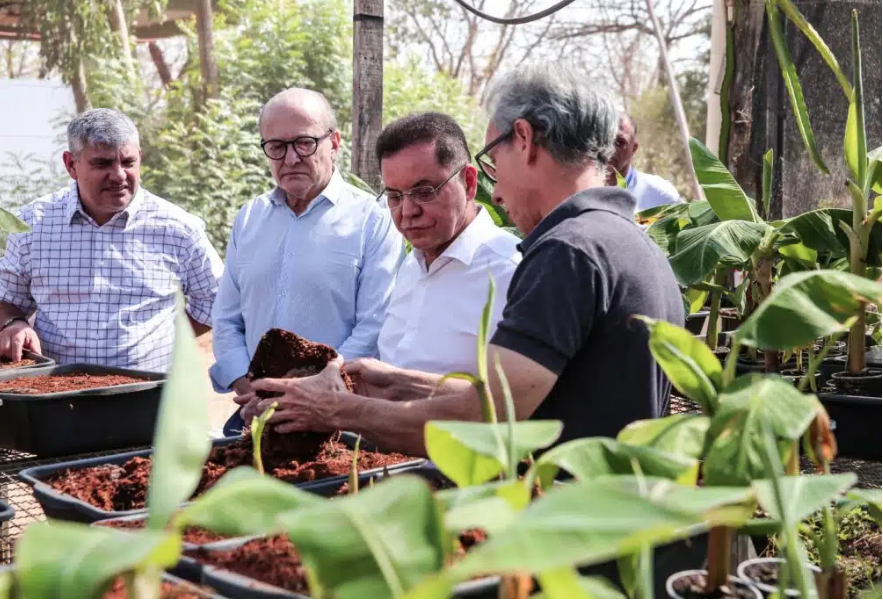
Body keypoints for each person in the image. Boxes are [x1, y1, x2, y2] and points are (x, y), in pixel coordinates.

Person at [235, 64, 685, 456]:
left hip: (575, 533)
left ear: (523, 140)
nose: (498, 189)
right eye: (393, 196)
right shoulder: (623, 237)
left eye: (492, 158)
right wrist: (390, 380)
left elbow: (485, 417)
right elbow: (520, 394)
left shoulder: (567, 251)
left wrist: (340, 410)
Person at [211, 88, 403, 431]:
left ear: (335, 142)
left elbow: (374, 327)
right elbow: (226, 319)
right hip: (254, 416)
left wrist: (306, 395)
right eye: (276, 147)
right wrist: (247, 386)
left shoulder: (372, 221)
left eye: (304, 143)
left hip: (336, 421)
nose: (291, 158)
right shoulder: (249, 218)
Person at [0, 108, 223, 372]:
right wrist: (13, 325)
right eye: (102, 163)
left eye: (128, 162)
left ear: (140, 158)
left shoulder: (178, 228)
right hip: (55, 398)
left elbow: (216, 302)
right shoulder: (34, 223)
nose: (119, 175)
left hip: (149, 396)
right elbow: (1, 302)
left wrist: (160, 342)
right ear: (71, 165)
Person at [373, 112, 520, 375]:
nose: (407, 211)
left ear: (469, 183)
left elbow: (513, 399)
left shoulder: (510, 273)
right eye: (394, 196)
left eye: (424, 192)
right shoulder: (410, 266)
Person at [606, 113, 683, 212]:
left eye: (619, 142)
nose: (610, 148)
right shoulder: (583, 191)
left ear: (634, 148)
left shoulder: (660, 194)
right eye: (605, 140)